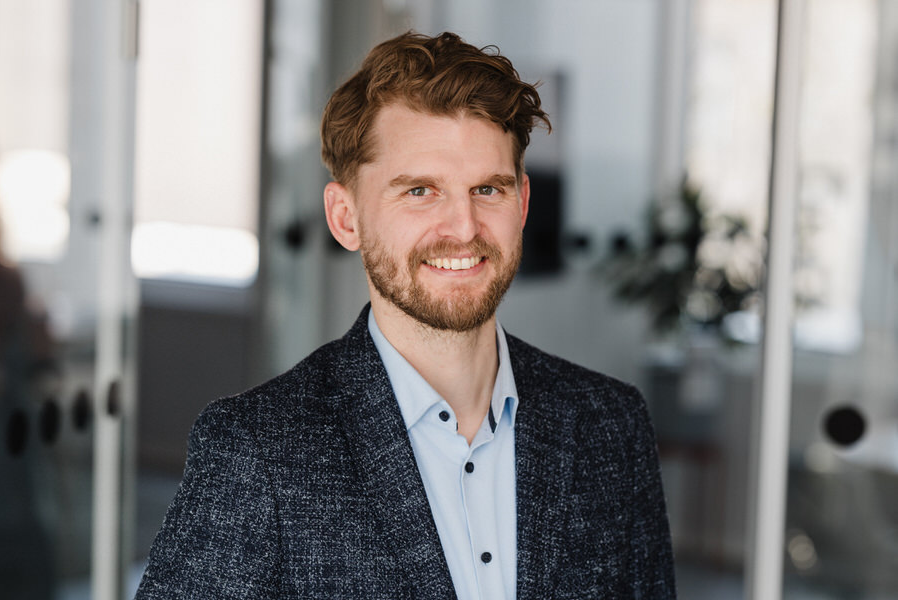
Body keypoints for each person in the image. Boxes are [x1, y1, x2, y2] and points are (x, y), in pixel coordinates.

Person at [136, 31, 676, 599]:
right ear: (345, 218)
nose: (463, 228)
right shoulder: (256, 450)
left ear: (521, 204)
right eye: (420, 191)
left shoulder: (610, 425)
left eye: (487, 189)